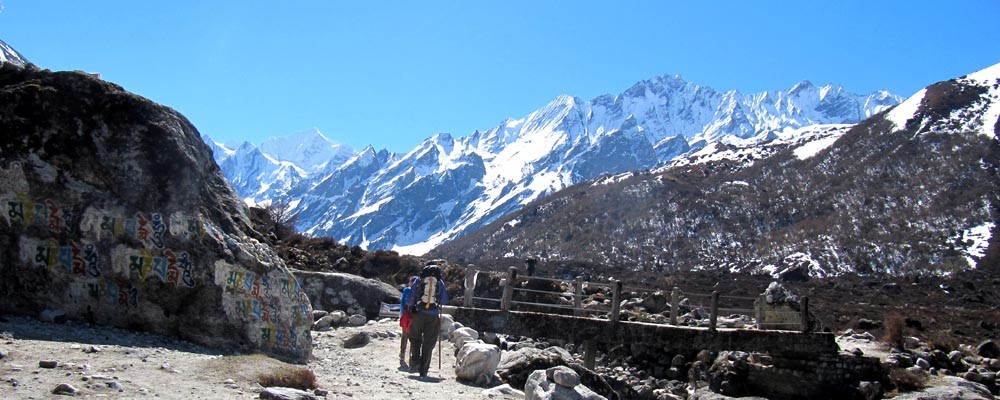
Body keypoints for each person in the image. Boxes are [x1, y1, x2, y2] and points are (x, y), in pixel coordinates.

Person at [406, 263, 449, 377]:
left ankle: (415, 362)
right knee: (429, 342)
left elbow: (410, 297)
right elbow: (444, 300)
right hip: (433, 315)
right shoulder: (439, 283)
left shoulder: (419, 281)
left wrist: (411, 306)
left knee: (415, 338)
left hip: (418, 313)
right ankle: (423, 370)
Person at [398, 276, 418, 363]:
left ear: (410, 282)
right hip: (416, 316)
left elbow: (403, 303)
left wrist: (401, 315)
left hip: (406, 314)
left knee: (404, 335)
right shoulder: (419, 291)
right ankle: (413, 356)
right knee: (414, 336)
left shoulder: (407, 290)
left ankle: (402, 353)